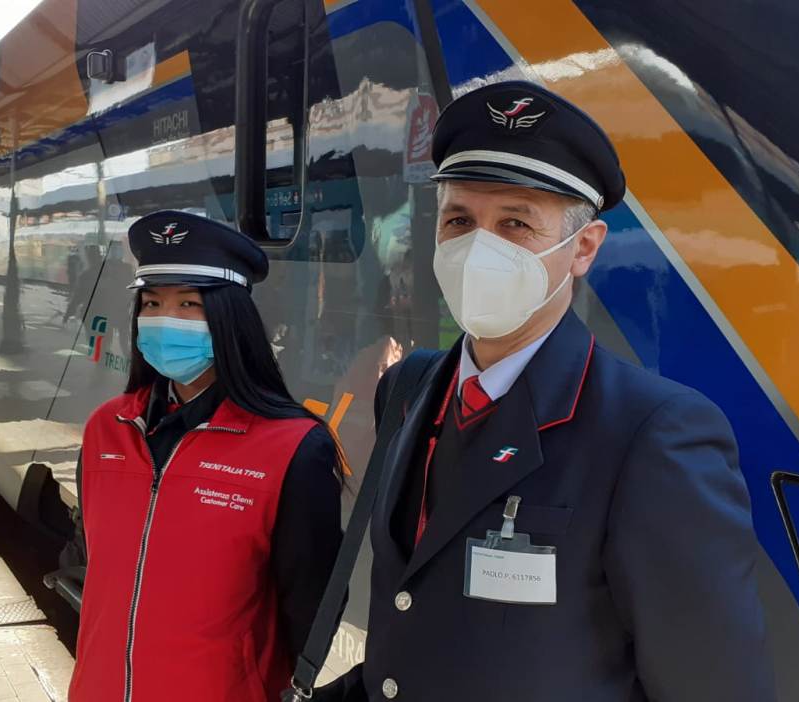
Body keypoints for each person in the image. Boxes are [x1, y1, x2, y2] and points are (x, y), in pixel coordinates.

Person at [317, 81, 775, 701]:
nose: (478, 246)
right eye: (459, 220)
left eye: (515, 222)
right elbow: (405, 632)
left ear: (582, 248)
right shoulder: (407, 388)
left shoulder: (653, 435)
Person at [68, 210, 343, 701]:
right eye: (151, 303)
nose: (164, 319)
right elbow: (93, 564)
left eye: (190, 304)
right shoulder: (106, 429)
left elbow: (308, 608)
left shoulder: (292, 447)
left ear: (228, 318)